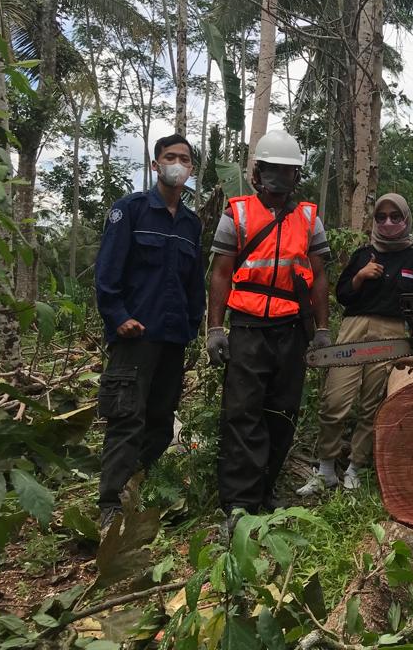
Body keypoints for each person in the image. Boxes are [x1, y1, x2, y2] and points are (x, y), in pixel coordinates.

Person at [206, 129, 331, 518]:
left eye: (286, 170)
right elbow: (220, 273)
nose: (279, 177)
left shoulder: (309, 218)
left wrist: (322, 328)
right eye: (271, 169)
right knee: (243, 414)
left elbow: (319, 275)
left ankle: (265, 488)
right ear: (257, 173)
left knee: (283, 412)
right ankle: (239, 504)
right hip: (248, 327)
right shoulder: (237, 214)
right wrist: (215, 328)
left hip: (292, 328)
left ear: (296, 175)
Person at [95, 134, 205, 530]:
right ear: (156, 165)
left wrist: (192, 325)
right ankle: (110, 504)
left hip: (173, 338)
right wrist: (118, 316)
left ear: (192, 169)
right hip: (135, 337)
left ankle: (138, 486)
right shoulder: (131, 211)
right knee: (127, 418)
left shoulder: (191, 223)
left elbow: (195, 283)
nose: (178, 164)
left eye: (185, 159)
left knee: (161, 418)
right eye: (170, 157)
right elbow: (107, 271)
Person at [298, 194, 413, 495]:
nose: (388, 222)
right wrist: (360, 277)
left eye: (395, 217)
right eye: (381, 217)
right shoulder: (363, 254)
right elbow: (343, 294)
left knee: (373, 404)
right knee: (335, 401)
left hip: (393, 332)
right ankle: (326, 468)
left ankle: (355, 467)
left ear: (406, 219)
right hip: (355, 328)